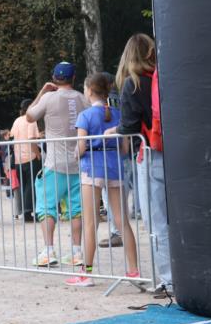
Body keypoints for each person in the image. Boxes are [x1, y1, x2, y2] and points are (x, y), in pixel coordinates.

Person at [66, 73, 140, 287]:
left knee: (91, 222)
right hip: (115, 168)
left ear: (89, 90)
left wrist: (75, 153)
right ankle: (134, 270)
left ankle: (86, 273)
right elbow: (125, 148)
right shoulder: (118, 114)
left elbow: (81, 148)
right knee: (122, 220)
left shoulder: (85, 116)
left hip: (91, 169)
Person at [114, 33, 172, 296]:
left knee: (156, 220)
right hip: (176, 154)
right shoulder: (164, 78)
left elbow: (128, 127)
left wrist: (113, 131)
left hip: (149, 154)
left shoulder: (133, 84)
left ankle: (169, 280)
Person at [26, 62, 89, 267]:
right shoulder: (82, 98)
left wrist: (41, 92)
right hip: (78, 162)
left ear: (54, 77)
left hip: (54, 162)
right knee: (76, 209)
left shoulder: (48, 97)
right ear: (73, 78)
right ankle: (77, 251)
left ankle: (49, 250)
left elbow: (29, 116)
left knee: (46, 206)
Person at [10, 99, 42, 222]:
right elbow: (32, 139)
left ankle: (26, 212)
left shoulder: (17, 120)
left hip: (18, 159)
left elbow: (12, 136)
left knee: (24, 186)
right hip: (30, 157)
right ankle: (30, 211)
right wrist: (38, 154)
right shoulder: (31, 121)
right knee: (33, 185)